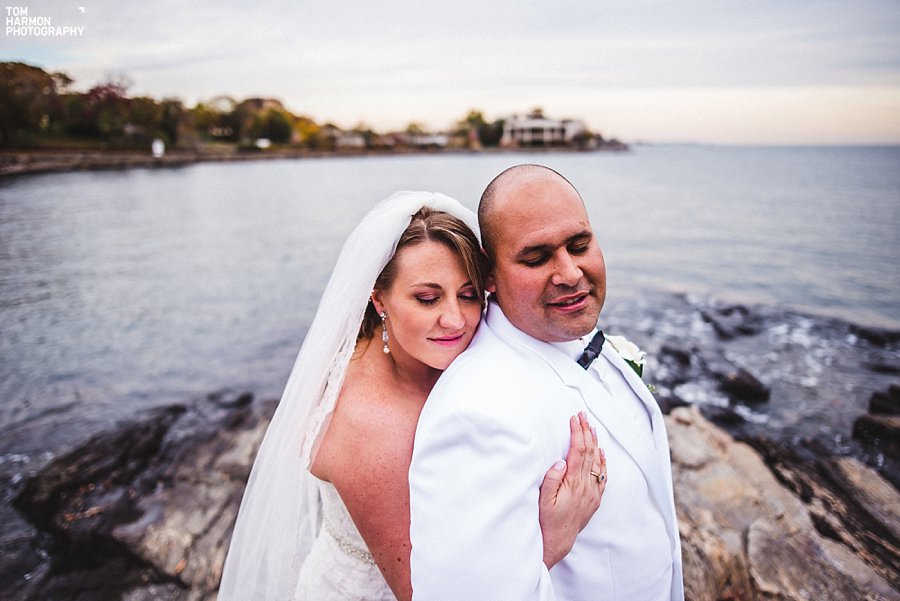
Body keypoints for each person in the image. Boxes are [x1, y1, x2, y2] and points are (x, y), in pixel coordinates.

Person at [218, 191, 607, 601]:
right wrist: (554, 538)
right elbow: (424, 593)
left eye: (469, 294)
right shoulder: (368, 428)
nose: (455, 319)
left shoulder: (416, 349)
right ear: (379, 298)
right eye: (427, 298)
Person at [409, 166, 684, 600]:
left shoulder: (577, 336)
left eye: (580, 245)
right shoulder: (477, 411)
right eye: (536, 258)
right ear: (488, 273)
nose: (570, 273)